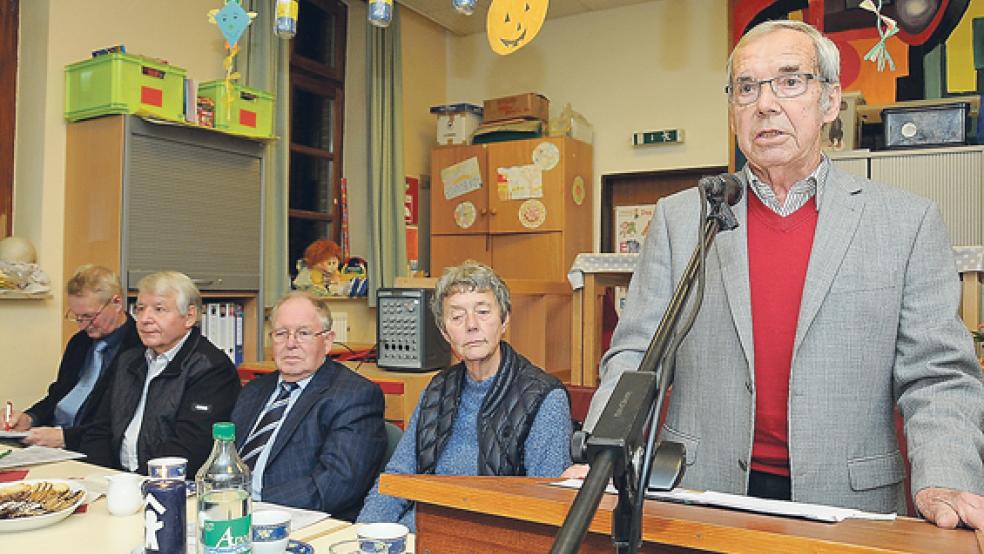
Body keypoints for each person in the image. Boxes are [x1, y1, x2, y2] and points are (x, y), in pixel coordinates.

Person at [575, 20, 984, 530]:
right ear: (732, 110)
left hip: (848, 502)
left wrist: (945, 476)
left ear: (830, 100)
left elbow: (938, 374)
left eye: (790, 81)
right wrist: (602, 452)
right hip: (702, 489)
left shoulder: (905, 222)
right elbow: (637, 355)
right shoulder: (683, 218)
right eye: (746, 87)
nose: (765, 103)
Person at [358, 261, 572, 531]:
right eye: (457, 317)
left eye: (483, 312)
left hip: (490, 536)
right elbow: (398, 478)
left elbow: (546, 501)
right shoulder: (436, 390)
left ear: (505, 319)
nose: (471, 325)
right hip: (420, 532)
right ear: (445, 332)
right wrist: (362, 535)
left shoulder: (544, 397)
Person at [230, 291, 387, 519]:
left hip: (298, 521)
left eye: (303, 333)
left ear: (327, 341)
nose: (290, 344)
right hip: (229, 512)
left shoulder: (354, 396)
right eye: (281, 334)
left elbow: (335, 484)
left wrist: (252, 503)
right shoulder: (254, 390)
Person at [79, 271, 240, 476]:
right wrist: (101, 477)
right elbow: (99, 429)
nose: (145, 319)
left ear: (189, 316)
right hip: (115, 480)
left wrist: (133, 481)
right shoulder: (128, 361)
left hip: (169, 485)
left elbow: (190, 448)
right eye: (140, 309)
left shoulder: (211, 368)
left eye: (159, 309)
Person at [4, 265, 141, 449]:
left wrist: (66, 437)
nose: (82, 326)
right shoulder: (80, 342)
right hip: (51, 439)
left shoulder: (139, 347)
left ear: (116, 303)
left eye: (89, 317)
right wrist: (30, 418)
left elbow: (119, 421)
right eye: (76, 317)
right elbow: (58, 395)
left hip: (89, 447)